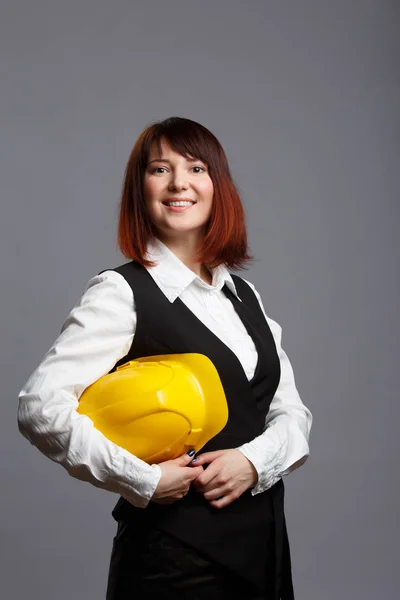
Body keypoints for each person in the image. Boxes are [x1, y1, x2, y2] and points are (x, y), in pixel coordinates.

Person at [17, 116, 313, 599]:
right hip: (170, 562)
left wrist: (253, 462)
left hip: (264, 552)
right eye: (160, 169)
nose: (179, 183)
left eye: (196, 168)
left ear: (218, 186)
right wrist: (143, 479)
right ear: (141, 189)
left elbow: (291, 414)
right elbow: (39, 407)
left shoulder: (244, 296)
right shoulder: (121, 291)